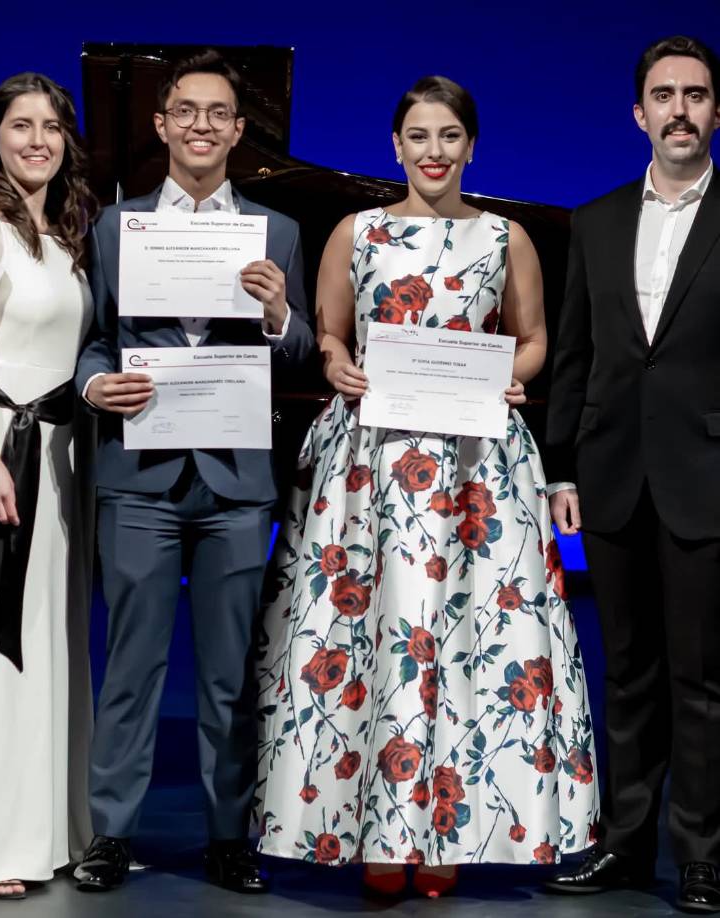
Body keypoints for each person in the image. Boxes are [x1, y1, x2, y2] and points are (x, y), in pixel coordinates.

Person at [255, 75, 599, 898]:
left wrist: (508, 377)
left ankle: (442, 829)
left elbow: (534, 340)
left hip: (478, 464)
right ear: (395, 146)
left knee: (470, 641)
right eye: (419, 136)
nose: (434, 151)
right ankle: (373, 830)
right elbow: (332, 338)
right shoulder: (356, 230)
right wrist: (338, 365)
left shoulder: (505, 237)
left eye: (450, 136)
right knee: (372, 634)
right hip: (371, 463)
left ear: (471, 146)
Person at [72, 49, 314, 894]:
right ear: (162, 124)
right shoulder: (115, 226)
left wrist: (282, 312)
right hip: (139, 478)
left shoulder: (277, 231)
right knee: (131, 669)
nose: (202, 126)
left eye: (218, 114)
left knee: (228, 678)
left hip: (236, 485)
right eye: (187, 111)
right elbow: (93, 340)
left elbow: (307, 346)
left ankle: (228, 835)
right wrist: (95, 385)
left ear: (239, 132)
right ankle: (109, 834)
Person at [545, 35, 720, 914]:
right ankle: (623, 844)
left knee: (700, 676)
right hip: (611, 476)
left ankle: (700, 854)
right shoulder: (597, 218)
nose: (679, 109)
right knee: (629, 673)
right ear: (639, 113)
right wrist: (560, 468)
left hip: (706, 477)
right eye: (664, 94)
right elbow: (574, 355)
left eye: (694, 94)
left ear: (716, 111)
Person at [0, 72, 95, 900]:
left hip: (59, 458)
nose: (36, 140)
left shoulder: (61, 235)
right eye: (20, 125)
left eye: (51, 126)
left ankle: (46, 830)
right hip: (1, 453)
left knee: (49, 637)